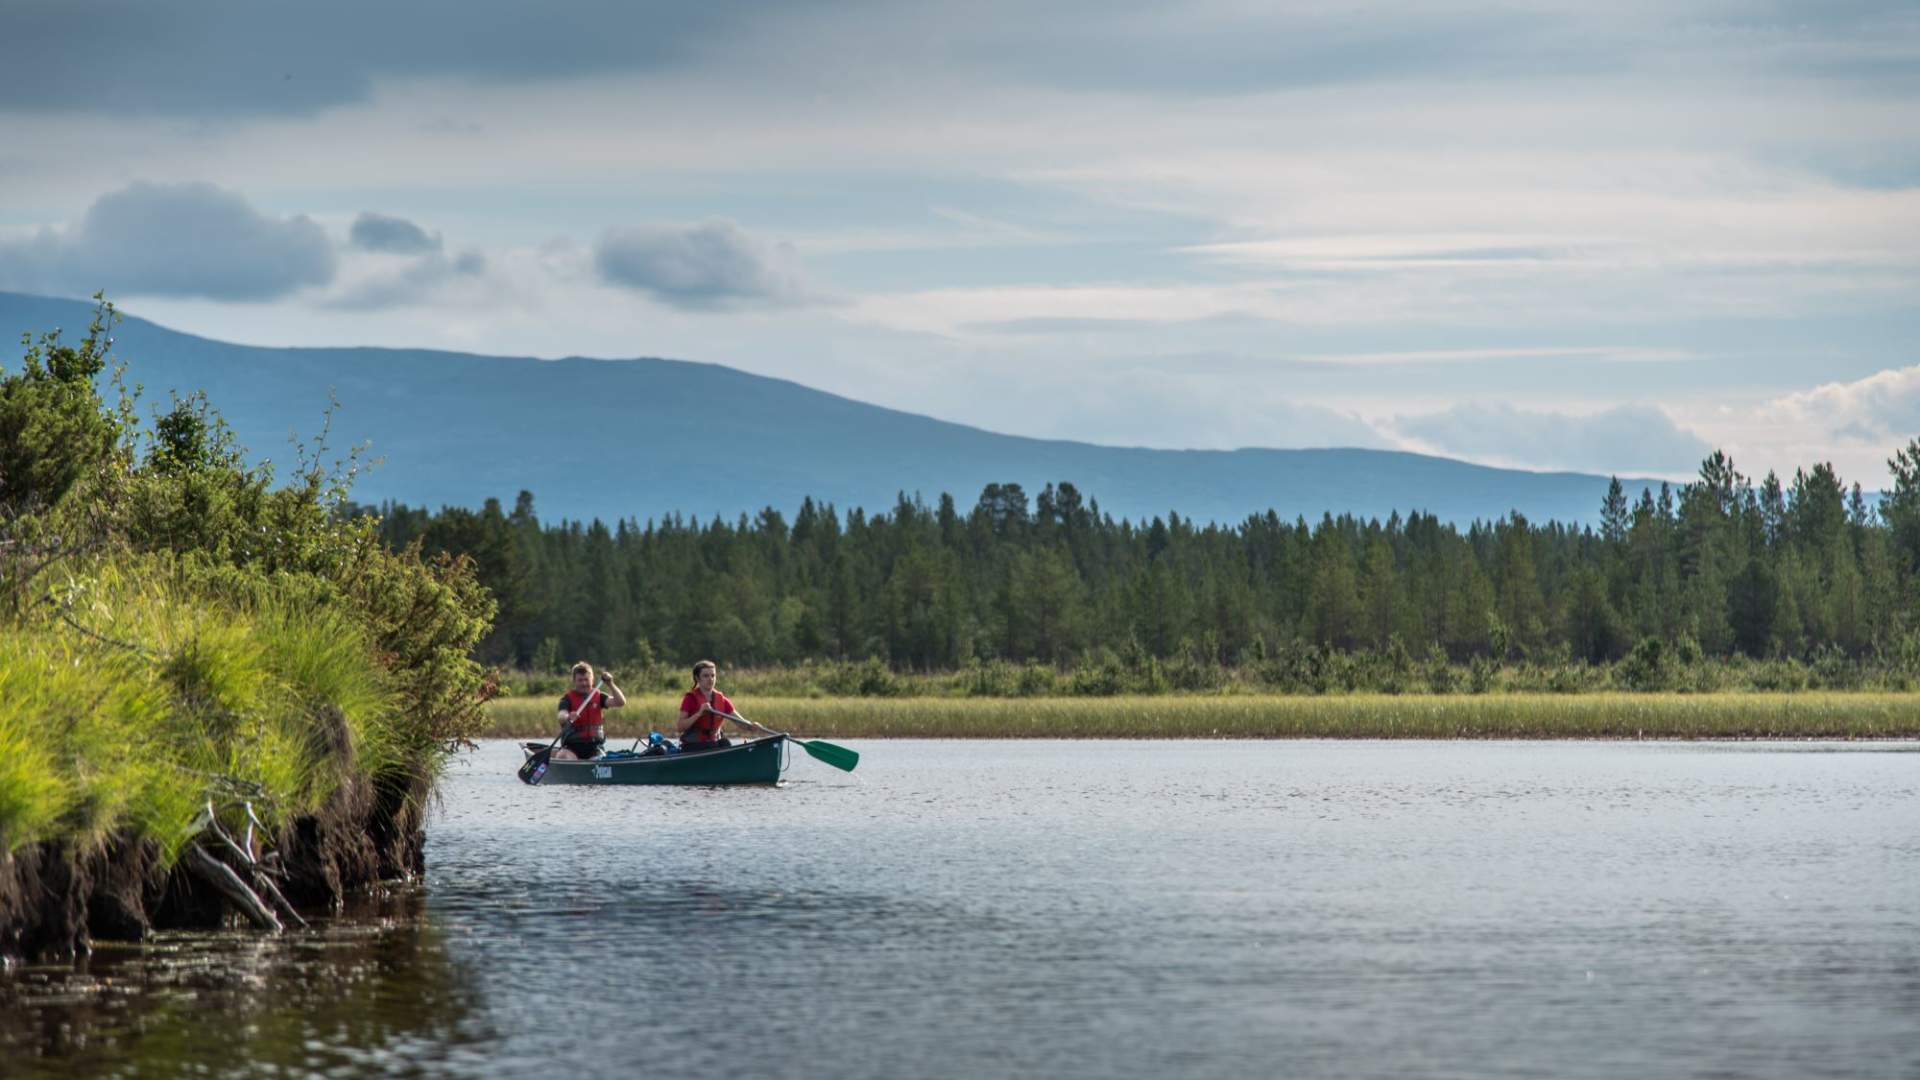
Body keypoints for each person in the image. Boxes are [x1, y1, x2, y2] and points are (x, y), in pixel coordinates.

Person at [552, 662, 625, 760]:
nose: (584, 683)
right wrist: (568, 716)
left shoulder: (599, 697)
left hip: (594, 748)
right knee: (563, 756)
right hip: (572, 748)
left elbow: (620, 702)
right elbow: (561, 716)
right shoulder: (567, 699)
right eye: (580, 680)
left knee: (599, 760)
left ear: (592, 680)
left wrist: (610, 683)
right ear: (574, 681)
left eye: (586, 680)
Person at [677, 660, 740, 751]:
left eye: (713, 675)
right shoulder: (690, 699)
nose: (710, 679)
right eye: (706, 676)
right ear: (697, 678)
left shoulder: (722, 700)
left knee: (725, 743)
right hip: (693, 745)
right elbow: (680, 727)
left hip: (713, 743)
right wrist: (699, 714)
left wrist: (752, 726)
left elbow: (740, 722)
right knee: (712, 746)